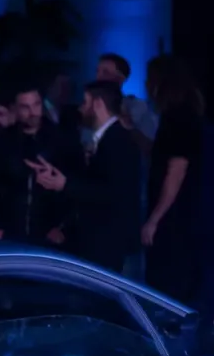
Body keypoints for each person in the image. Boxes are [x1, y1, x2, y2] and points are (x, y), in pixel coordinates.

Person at [30, 81, 141, 273]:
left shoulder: (117, 141)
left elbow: (112, 192)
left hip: (109, 245)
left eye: (85, 102)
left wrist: (65, 184)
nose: (80, 109)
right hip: (103, 243)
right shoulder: (110, 139)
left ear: (98, 104)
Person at [143, 56, 207, 303]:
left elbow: (176, 170)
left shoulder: (178, 117)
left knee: (168, 288)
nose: (146, 84)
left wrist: (155, 219)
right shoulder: (182, 115)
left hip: (174, 220)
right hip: (181, 217)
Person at [0, 83, 80, 245]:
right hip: (8, 235)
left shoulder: (62, 141)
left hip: (50, 237)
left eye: (36, 105)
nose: (33, 112)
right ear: (15, 109)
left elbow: (76, 185)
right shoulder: (0, 143)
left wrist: (63, 228)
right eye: (25, 107)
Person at [95, 53, 158, 141]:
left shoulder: (136, 107)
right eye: (97, 71)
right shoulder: (89, 106)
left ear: (120, 79)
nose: (99, 77)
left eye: (106, 72)